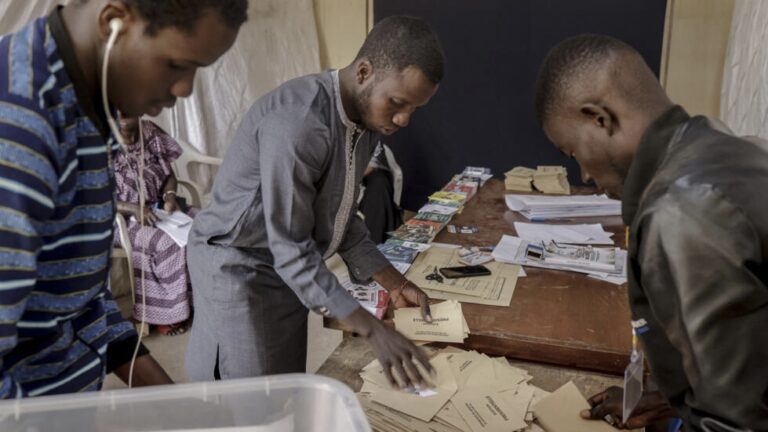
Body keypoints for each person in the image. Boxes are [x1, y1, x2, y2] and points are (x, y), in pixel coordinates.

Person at [0, 0, 246, 398]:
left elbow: (81, 300)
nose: (184, 90)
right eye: (176, 65)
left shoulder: (91, 105)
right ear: (113, 20)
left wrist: (177, 407)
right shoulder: (20, 124)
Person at [186, 16, 444, 388]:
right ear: (364, 72)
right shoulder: (300, 123)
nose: (404, 119)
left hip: (288, 263)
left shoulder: (366, 124)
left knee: (287, 384)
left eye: (414, 109)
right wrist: (372, 329)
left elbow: (340, 219)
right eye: (398, 103)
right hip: (237, 264)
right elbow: (289, 246)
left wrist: (395, 282)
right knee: (250, 393)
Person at [534, 34, 768, 431]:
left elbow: (733, 424)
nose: (584, 174)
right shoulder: (731, 147)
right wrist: (672, 399)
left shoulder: (682, 211)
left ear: (599, 118)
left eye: (573, 153)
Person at [114, 116, 197, 336]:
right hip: (120, 219)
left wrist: (169, 196)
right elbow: (95, 198)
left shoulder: (150, 132)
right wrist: (133, 209)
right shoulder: (101, 142)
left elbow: (169, 175)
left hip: (159, 208)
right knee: (167, 243)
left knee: (207, 224)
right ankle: (172, 314)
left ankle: (201, 301)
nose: (124, 114)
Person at [359, 141, 403, 244]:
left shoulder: (370, 137)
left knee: (379, 183)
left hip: (362, 177)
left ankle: (374, 244)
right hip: (332, 177)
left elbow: (371, 165)